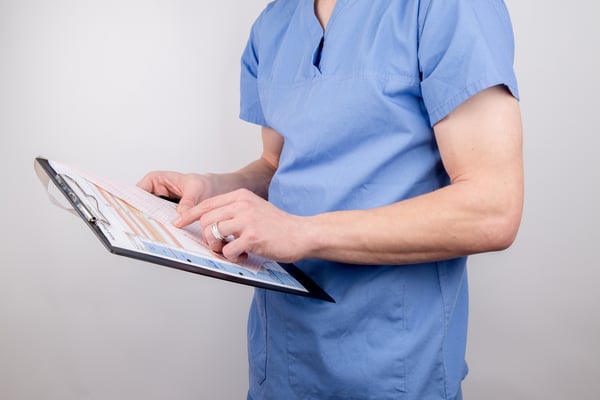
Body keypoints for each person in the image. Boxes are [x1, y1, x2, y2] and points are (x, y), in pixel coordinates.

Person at [138, 0, 523, 398]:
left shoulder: (444, 8)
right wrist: (212, 187)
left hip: (392, 366)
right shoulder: (275, 23)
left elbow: (492, 209)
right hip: (283, 360)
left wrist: (304, 232)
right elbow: (276, 165)